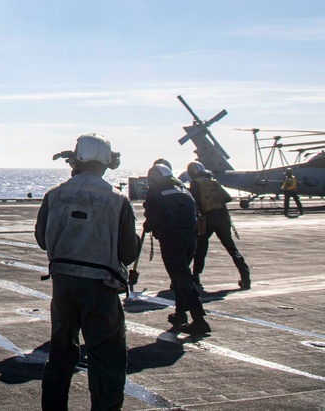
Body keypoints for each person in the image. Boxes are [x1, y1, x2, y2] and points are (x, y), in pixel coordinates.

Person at [36, 133, 139, 411]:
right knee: (107, 359)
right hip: (101, 289)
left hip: (64, 287)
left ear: (78, 159)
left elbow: (42, 239)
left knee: (60, 355)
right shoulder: (118, 200)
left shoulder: (54, 195)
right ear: (106, 163)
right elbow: (129, 253)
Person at [143, 163, 211, 335]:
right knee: (181, 276)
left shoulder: (156, 195)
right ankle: (180, 314)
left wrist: (148, 224)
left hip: (172, 240)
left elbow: (154, 221)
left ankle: (199, 319)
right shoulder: (184, 191)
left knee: (182, 278)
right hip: (191, 239)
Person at [187, 161, 250, 290]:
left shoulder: (195, 183)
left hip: (207, 219)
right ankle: (245, 276)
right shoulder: (213, 182)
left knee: (200, 248)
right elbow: (227, 198)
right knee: (231, 248)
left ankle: (195, 276)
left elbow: (194, 202)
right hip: (222, 217)